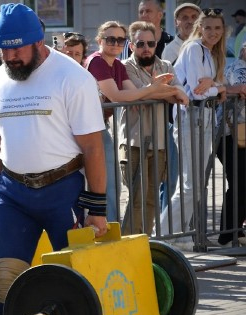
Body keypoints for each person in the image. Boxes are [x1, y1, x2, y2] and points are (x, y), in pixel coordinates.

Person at [0, 4, 110, 315]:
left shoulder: (73, 77)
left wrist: (98, 209)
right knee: (7, 284)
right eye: (4, 51)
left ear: (39, 42)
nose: (10, 58)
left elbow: (92, 146)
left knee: (78, 281)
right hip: (13, 195)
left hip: (64, 190)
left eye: (18, 50)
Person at [85, 20, 177, 223]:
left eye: (120, 39)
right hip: (84, 130)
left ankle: (118, 235)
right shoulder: (97, 61)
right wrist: (152, 89)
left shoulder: (116, 64)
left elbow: (132, 93)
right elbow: (118, 95)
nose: (115, 43)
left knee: (112, 188)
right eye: (110, 39)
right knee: (103, 188)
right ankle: (106, 235)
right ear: (100, 40)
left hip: (98, 127)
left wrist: (141, 94)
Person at [160, 8, 228, 251]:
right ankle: (164, 235)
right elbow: (199, 90)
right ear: (200, 27)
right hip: (191, 116)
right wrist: (218, 88)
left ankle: (177, 234)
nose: (213, 32)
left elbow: (209, 85)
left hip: (204, 116)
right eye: (208, 27)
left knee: (195, 183)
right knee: (190, 183)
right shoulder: (193, 48)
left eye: (217, 28)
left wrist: (215, 85)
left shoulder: (209, 52)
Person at [119, 21, 188, 235]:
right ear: (131, 46)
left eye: (150, 43)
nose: (146, 48)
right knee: (137, 198)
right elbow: (138, 94)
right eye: (140, 44)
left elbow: (181, 95)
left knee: (151, 200)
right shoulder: (123, 67)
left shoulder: (166, 66)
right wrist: (162, 92)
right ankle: (128, 244)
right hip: (133, 142)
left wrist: (151, 92)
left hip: (159, 142)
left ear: (156, 43)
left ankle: (145, 243)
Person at [216, 42, 246, 246]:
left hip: (234, 134)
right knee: (239, 182)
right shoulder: (237, 68)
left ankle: (235, 231)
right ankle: (228, 234)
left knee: (241, 183)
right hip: (232, 135)